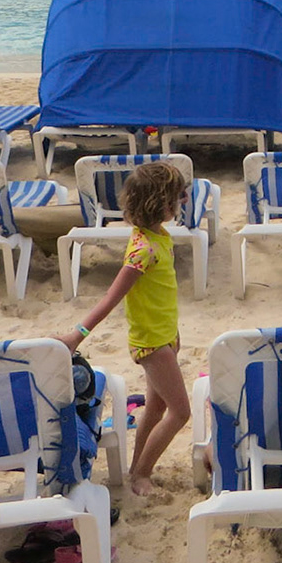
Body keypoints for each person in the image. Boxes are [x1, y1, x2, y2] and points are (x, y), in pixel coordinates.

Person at [55, 160, 189, 495]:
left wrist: (173, 334)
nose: (184, 199)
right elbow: (110, 299)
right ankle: (142, 473)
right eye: (177, 196)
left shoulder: (158, 235)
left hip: (164, 337)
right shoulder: (142, 251)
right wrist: (77, 334)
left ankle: (135, 468)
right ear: (161, 203)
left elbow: (161, 295)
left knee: (156, 407)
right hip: (152, 344)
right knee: (180, 413)